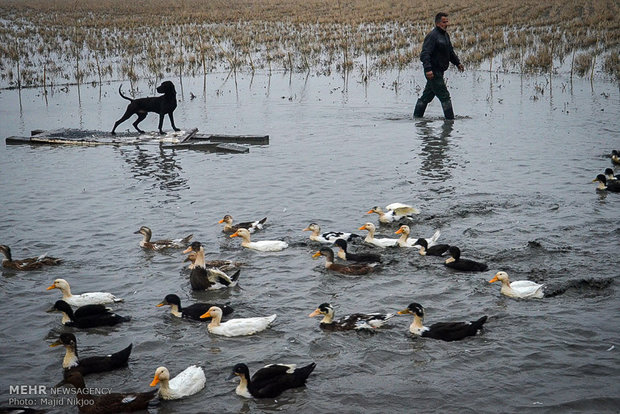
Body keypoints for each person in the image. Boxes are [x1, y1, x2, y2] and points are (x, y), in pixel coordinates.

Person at [414, 12, 464, 120]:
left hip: (439, 71)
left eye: (447, 21)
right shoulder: (432, 36)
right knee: (444, 96)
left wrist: (458, 63)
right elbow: (425, 54)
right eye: (444, 22)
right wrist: (428, 69)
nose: (447, 24)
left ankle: (417, 118)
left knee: (427, 96)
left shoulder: (445, 36)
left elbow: (450, 52)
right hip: (433, 71)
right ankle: (450, 122)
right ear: (437, 23)